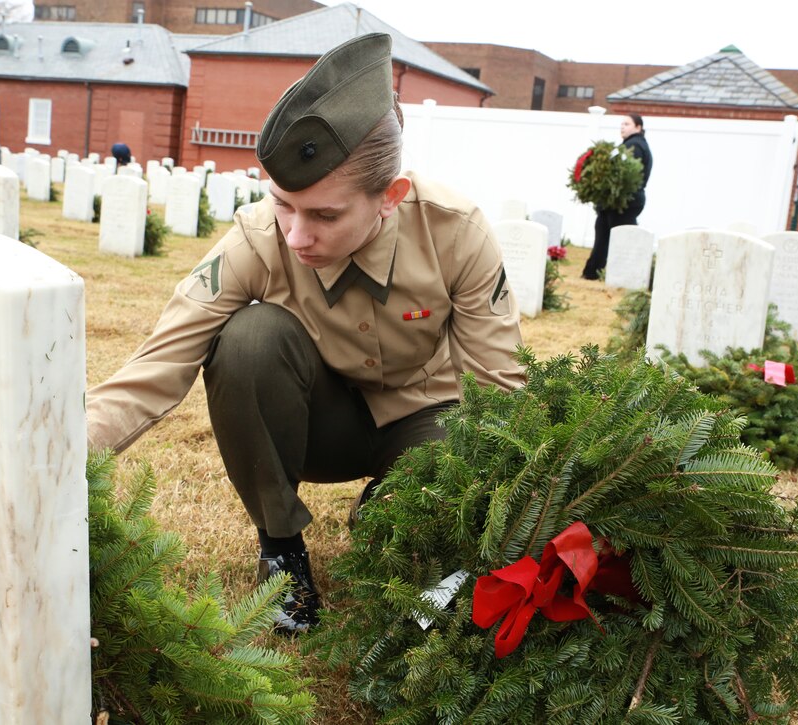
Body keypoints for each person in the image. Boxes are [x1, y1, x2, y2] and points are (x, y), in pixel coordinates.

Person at [85, 33, 524, 635]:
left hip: (425, 423)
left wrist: (494, 509)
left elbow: (500, 390)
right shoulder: (258, 238)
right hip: (319, 424)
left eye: (324, 215)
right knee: (248, 340)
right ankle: (281, 549)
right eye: (283, 205)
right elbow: (157, 367)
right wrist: (56, 453)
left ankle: (393, 512)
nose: (294, 236)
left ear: (389, 198)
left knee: (414, 531)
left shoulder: (456, 233)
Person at [581, 113, 653, 281]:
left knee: (622, 239)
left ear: (638, 127)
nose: (622, 126)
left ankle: (620, 274)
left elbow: (624, 174)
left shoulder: (634, 146)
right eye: (622, 123)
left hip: (624, 201)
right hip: (620, 201)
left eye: (627, 124)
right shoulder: (632, 144)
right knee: (605, 233)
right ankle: (593, 271)